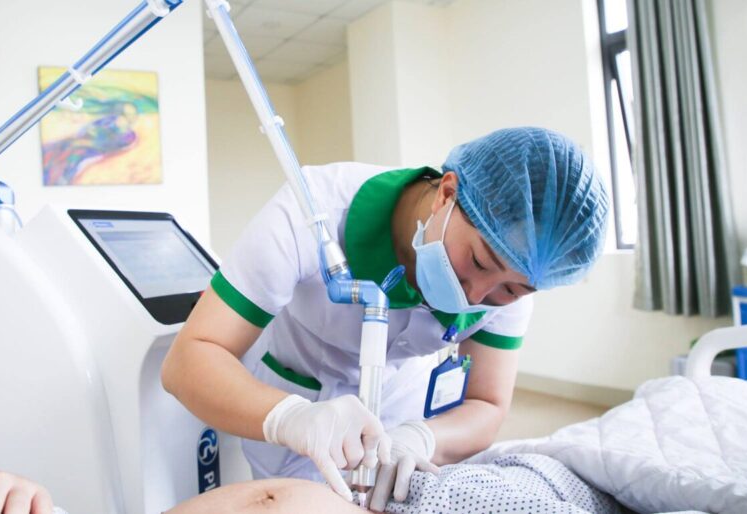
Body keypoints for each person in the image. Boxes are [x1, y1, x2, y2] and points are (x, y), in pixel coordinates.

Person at [162, 127, 610, 510]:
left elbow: (487, 404)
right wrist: (291, 418)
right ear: (447, 194)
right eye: (477, 261)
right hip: (294, 397)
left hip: (401, 414)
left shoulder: (518, 271)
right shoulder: (309, 212)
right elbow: (188, 360)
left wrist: (423, 438)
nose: (476, 296)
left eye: (512, 290)